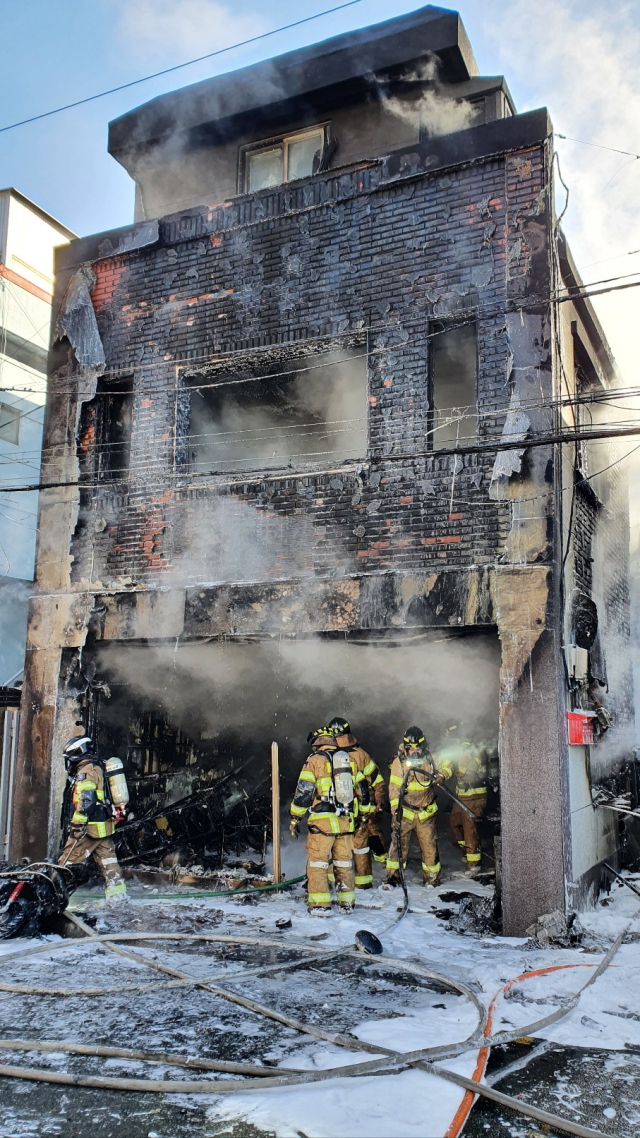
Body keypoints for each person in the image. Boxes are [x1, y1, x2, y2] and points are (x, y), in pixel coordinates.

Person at [289, 727, 370, 914]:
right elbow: (363, 792)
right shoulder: (348, 760)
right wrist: (363, 815)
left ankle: (320, 906)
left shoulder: (314, 761)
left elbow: (303, 793)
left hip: (322, 824)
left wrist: (295, 818)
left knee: (318, 864)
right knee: (344, 864)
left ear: (316, 742)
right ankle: (347, 904)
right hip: (345, 822)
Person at [59, 734, 128, 903]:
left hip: (89, 829)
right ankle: (118, 898)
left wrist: (77, 823)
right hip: (103, 827)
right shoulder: (98, 766)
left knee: (68, 863)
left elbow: (86, 799)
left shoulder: (86, 771)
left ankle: (57, 898)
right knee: (109, 863)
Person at [385, 726, 452, 888]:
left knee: (430, 848)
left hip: (426, 813)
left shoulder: (431, 758)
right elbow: (394, 790)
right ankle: (393, 878)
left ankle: (432, 879)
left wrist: (441, 775)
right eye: (410, 748)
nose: (414, 752)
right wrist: (396, 813)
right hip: (405, 812)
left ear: (423, 747)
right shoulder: (398, 763)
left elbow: (449, 765)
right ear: (405, 748)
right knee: (398, 846)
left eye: (418, 748)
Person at [328, 716, 388, 889]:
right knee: (356, 847)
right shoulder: (355, 755)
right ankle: (361, 882)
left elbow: (377, 781)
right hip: (348, 810)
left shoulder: (357, 756)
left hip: (355, 810)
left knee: (346, 845)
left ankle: (343, 881)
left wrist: (378, 804)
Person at [437, 721, 488, 877]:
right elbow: (447, 768)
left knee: (469, 827)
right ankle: (467, 851)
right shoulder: (455, 750)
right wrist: (441, 775)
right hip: (462, 797)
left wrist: (461, 756)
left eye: (452, 739)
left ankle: (473, 865)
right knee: (454, 822)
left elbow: (472, 768)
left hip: (475, 796)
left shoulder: (476, 750)